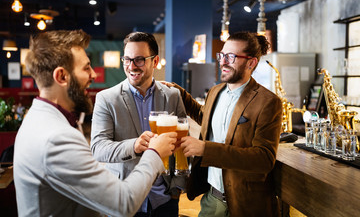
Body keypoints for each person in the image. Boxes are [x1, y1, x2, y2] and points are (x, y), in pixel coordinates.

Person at [13, 30, 177, 217]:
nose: (93, 75)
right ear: (62, 77)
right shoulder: (57, 138)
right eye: (86, 68)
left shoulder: (36, 120)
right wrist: (154, 153)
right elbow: (124, 203)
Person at [169, 32, 283, 216]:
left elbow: (264, 159)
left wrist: (206, 149)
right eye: (222, 55)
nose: (223, 62)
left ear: (251, 63)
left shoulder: (268, 102)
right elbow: (205, 117)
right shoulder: (215, 91)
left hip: (246, 204)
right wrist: (178, 91)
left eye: (231, 57)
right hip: (212, 200)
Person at [91, 32, 186, 217]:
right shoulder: (106, 98)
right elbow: (98, 148)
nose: (131, 66)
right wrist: (133, 145)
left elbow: (182, 145)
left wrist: (176, 189)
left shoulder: (172, 96)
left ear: (155, 61)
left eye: (139, 60)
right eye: (127, 59)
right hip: (124, 199)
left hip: (164, 200)